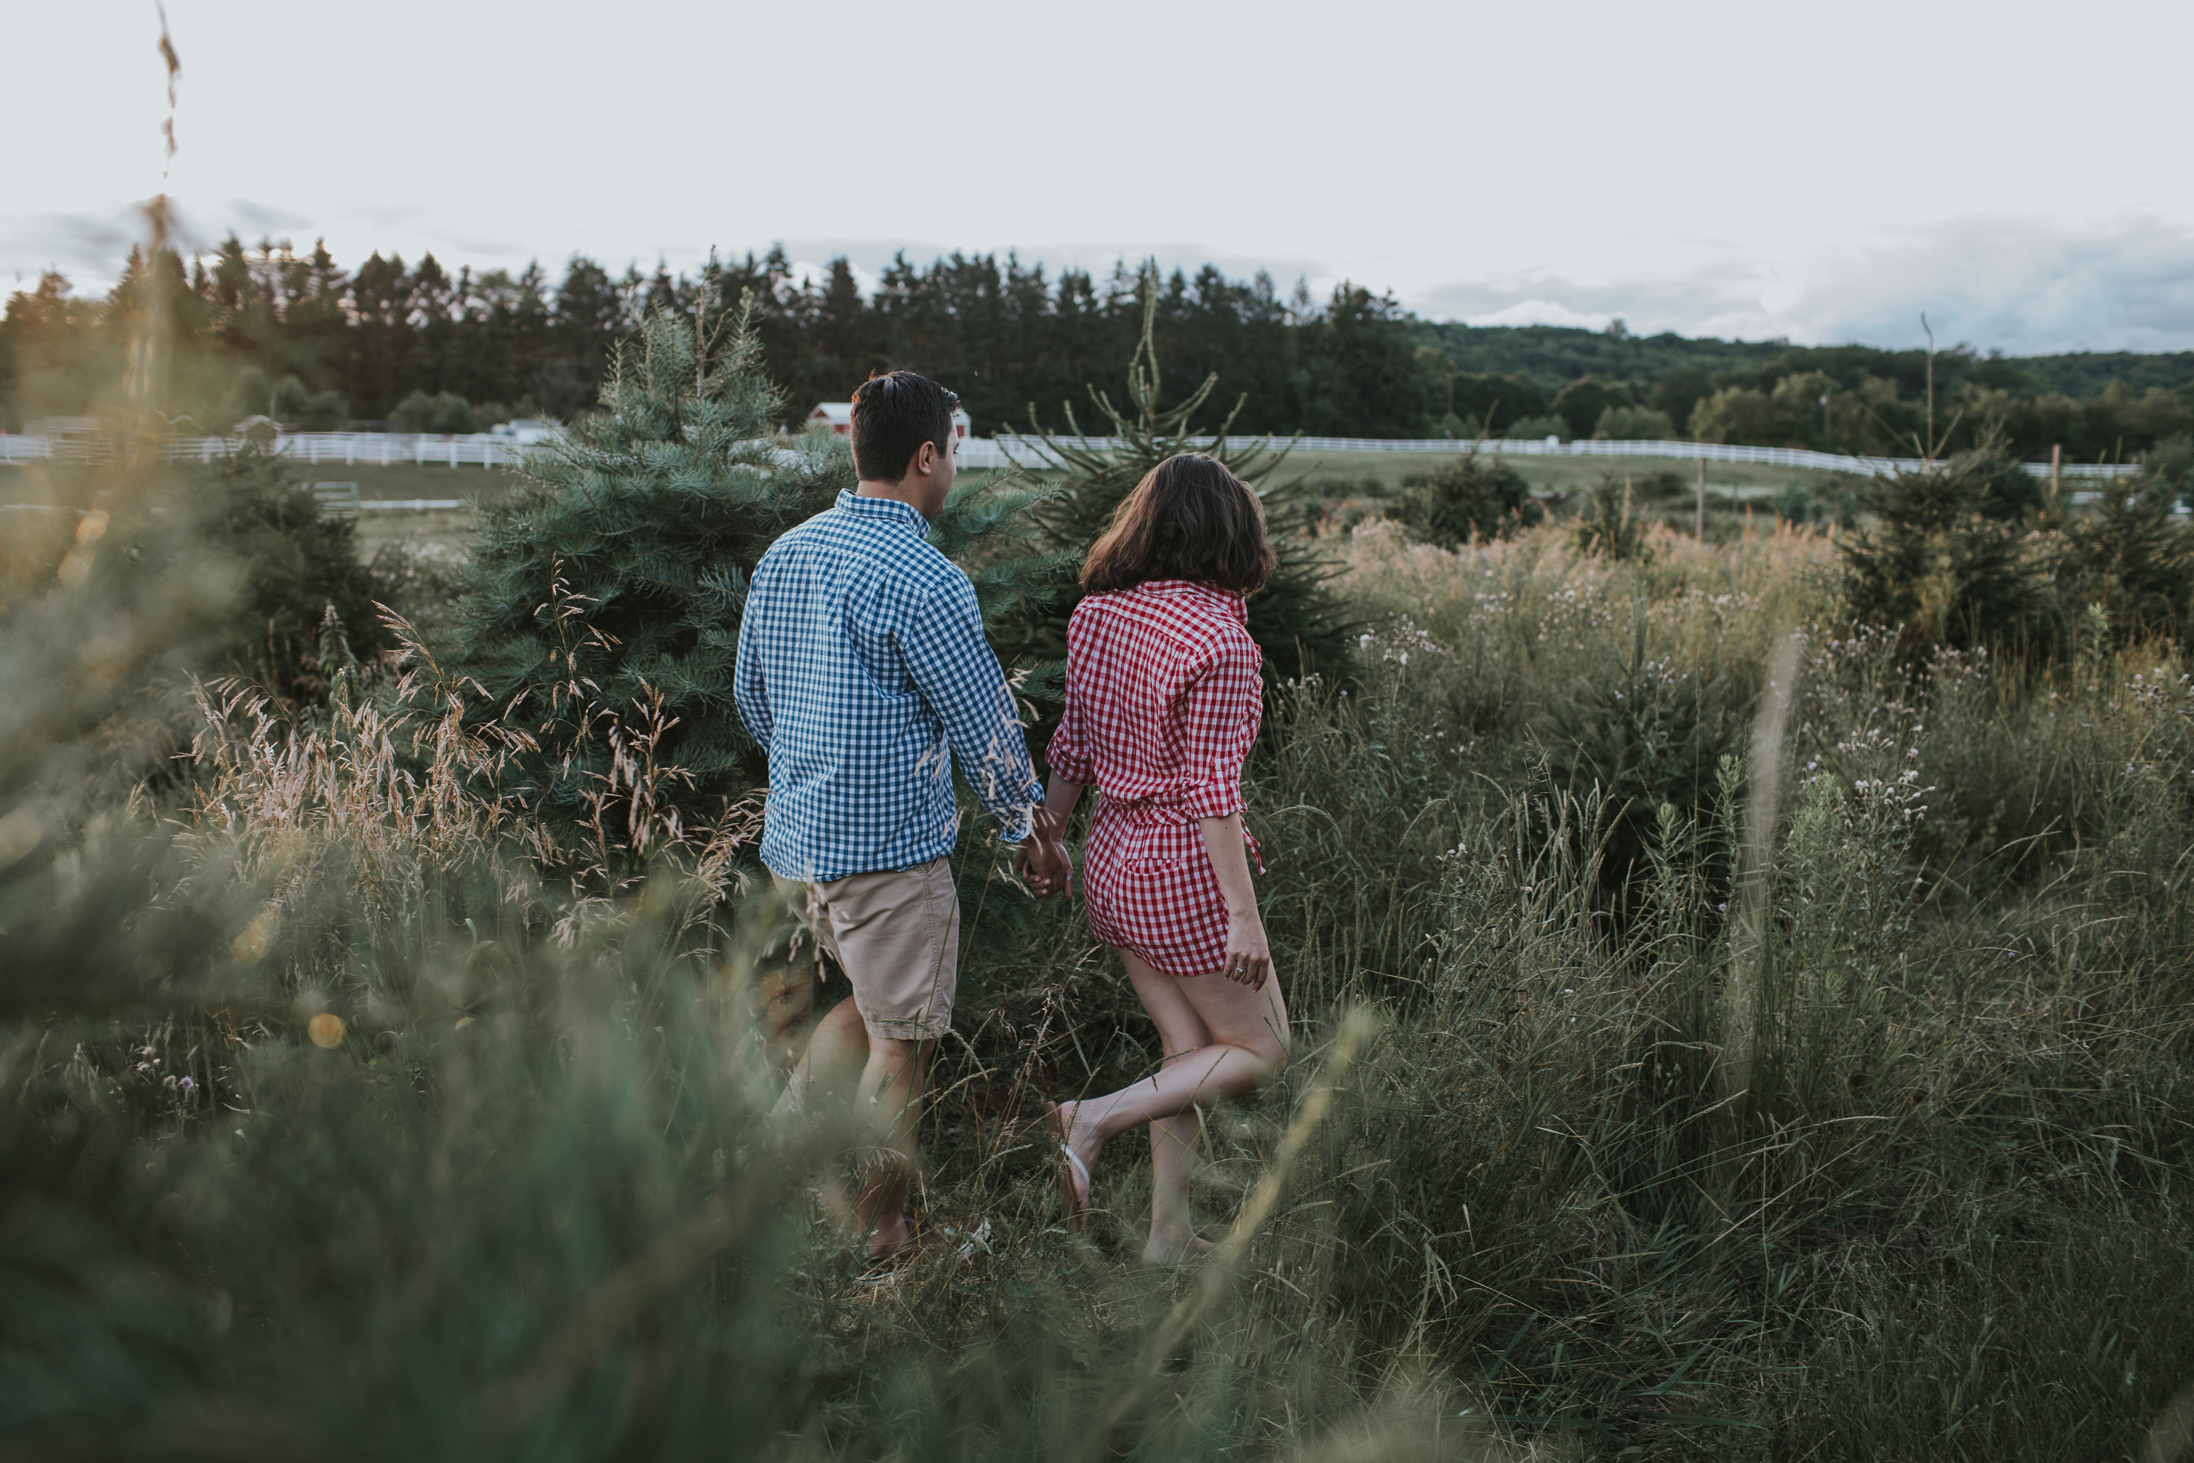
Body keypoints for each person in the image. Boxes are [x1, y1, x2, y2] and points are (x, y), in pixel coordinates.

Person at [734, 370, 1044, 1267]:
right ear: (924, 455)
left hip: (804, 849)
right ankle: (882, 1239)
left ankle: (777, 1153)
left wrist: (810, 774)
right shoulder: (926, 579)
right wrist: (1027, 828)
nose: (955, 468)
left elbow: (754, 698)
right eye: (954, 451)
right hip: (890, 859)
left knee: (870, 1012)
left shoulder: (787, 554)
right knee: (901, 1049)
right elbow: (983, 724)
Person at [1017, 453, 1291, 1265]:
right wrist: (1244, 914)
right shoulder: (1221, 641)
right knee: (1263, 1050)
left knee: (1188, 1053)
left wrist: (1049, 839)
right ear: (1233, 534)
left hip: (1111, 862)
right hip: (1181, 874)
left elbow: (1075, 742)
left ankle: (1169, 1237)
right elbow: (1212, 791)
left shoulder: (1100, 614)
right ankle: (1090, 1116)